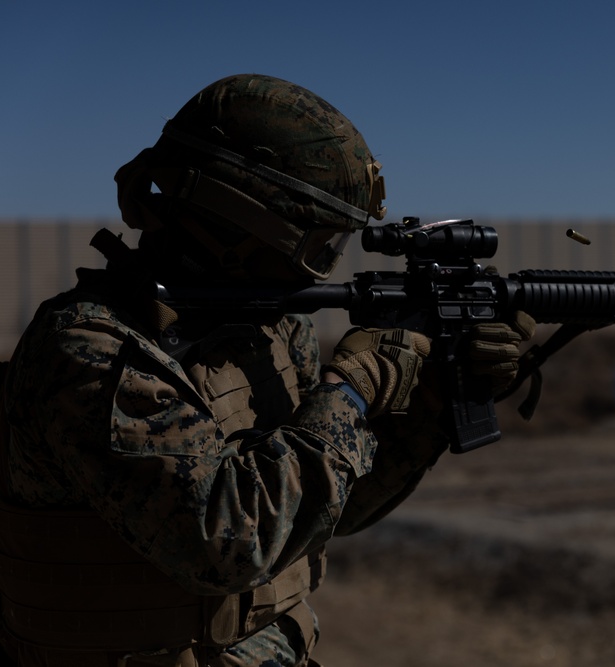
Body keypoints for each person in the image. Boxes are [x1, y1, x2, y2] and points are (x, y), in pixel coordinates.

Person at [0, 74, 534, 667]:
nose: (321, 270)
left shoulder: (268, 333)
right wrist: (351, 388)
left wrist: (431, 400)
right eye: (319, 244)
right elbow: (226, 543)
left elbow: (328, 511)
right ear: (238, 222)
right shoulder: (89, 351)